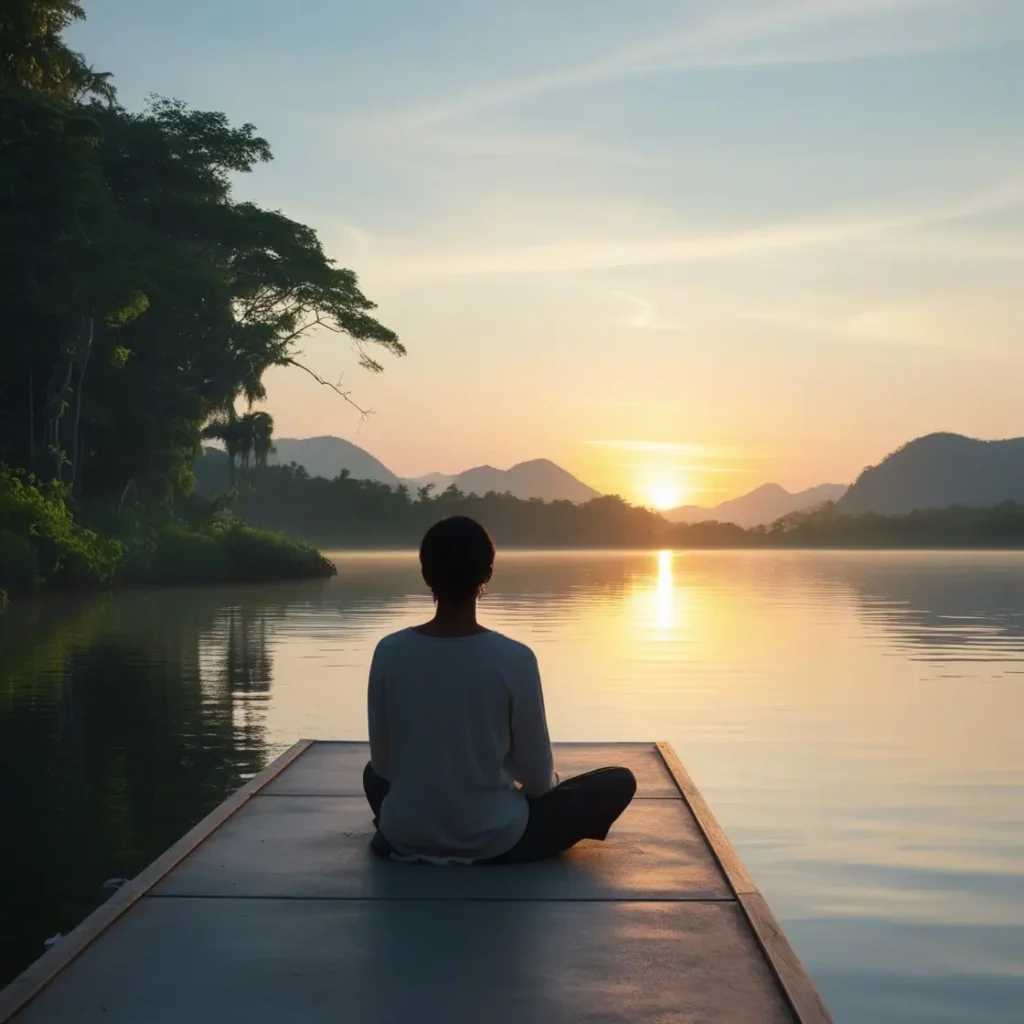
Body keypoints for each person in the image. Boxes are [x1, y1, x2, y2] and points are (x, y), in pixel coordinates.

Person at [363, 515, 636, 864]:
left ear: (426, 574)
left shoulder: (389, 651)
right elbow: (538, 781)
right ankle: (476, 835)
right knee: (618, 781)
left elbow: (384, 766)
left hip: (405, 835)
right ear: (487, 574)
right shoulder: (515, 658)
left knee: (371, 775)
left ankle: (412, 825)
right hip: (497, 839)